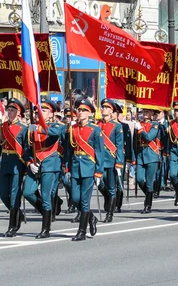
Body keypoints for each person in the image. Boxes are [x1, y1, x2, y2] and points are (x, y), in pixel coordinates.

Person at [23, 99, 67, 239]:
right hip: (35, 165)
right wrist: (30, 162)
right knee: (28, 192)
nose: (39, 114)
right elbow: (27, 149)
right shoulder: (32, 128)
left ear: (52, 113)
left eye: (44, 110)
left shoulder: (57, 126)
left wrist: (39, 128)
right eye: (37, 111)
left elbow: (54, 133)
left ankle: (45, 228)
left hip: (50, 164)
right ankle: (46, 212)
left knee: (46, 196)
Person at [65, 99, 105, 241]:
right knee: (75, 198)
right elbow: (69, 150)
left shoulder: (95, 129)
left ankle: (81, 232)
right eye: (79, 110)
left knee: (84, 201)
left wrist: (99, 171)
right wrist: (68, 167)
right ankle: (91, 217)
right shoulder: (72, 128)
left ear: (90, 113)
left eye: (84, 110)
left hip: (89, 167)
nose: (80, 113)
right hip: (76, 166)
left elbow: (99, 152)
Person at [0, 98, 30, 237]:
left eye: (13, 110)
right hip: (5, 162)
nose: (10, 112)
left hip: (17, 163)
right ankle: (18, 214)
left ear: (18, 112)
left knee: (14, 196)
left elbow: (26, 149)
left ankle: (13, 225)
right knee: (3, 195)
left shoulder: (23, 129)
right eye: (8, 110)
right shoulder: (3, 127)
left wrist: (28, 166)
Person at [97, 98, 124, 223]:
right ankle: (107, 196)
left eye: (107, 108)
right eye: (103, 107)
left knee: (112, 187)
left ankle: (110, 214)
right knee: (100, 184)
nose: (104, 109)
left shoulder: (117, 126)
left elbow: (119, 146)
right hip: (99, 162)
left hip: (111, 161)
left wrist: (119, 163)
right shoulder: (97, 125)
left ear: (112, 111)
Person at [133, 108, 161, 214]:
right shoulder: (138, 124)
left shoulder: (155, 125)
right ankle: (149, 195)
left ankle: (147, 205)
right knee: (140, 179)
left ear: (152, 113)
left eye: (147, 112)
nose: (145, 114)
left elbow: (149, 137)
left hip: (151, 155)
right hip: (140, 155)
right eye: (144, 112)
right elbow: (134, 142)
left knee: (149, 182)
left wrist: (140, 129)